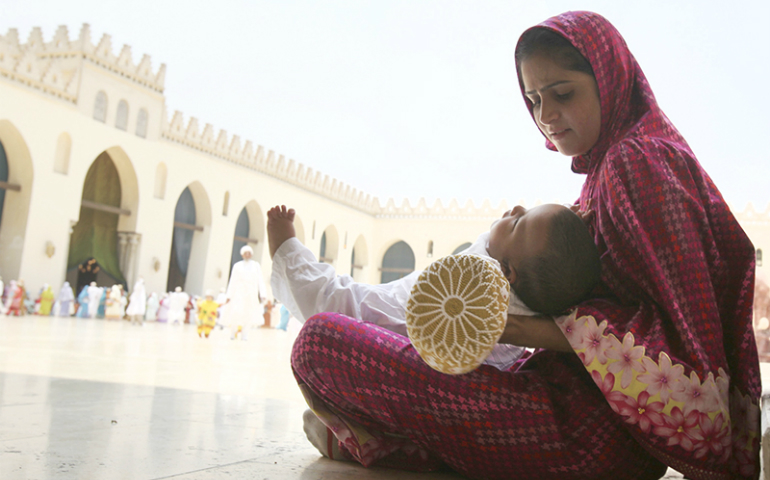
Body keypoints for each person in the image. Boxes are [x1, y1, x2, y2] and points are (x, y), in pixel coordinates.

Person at [287, 12, 761, 480]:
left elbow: (681, 339)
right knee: (394, 350)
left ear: (610, 80)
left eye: (563, 94)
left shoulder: (635, 164)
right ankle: (391, 446)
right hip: (592, 428)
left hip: (584, 437)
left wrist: (508, 328)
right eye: (534, 99)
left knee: (321, 342)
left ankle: (383, 444)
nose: (546, 116)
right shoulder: (616, 164)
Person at [270, 202, 599, 371]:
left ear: (507, 272)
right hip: (447, 357)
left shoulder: (481, 277)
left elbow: (488, 251)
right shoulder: (532, 298)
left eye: (517, 222)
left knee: (343, 302)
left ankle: (289, 254)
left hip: (405, 319)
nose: (514, 209)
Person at [222, 245, 266, 340]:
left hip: (251, 294)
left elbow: (260, 280)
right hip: (239, 293)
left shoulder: (256, 265)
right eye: (245, 253)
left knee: (249, 314)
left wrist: (263, 294)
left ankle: (245, 334)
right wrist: (229, 295)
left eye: (249, 253)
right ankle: (233, 333)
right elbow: (232, 281)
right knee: (235, 313)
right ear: (242, 254)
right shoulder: (237, 265)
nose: (247, 255)